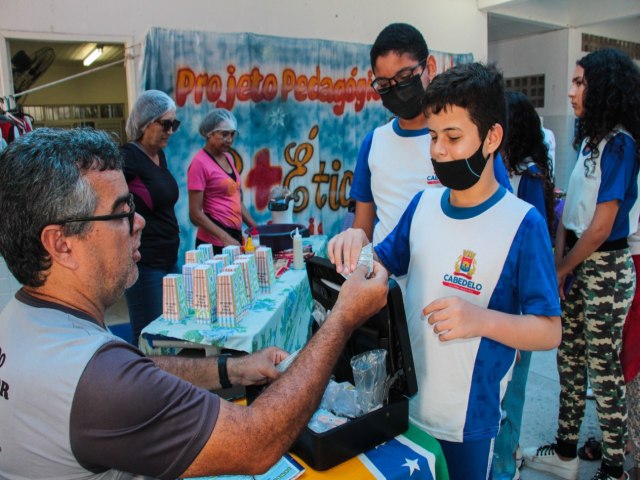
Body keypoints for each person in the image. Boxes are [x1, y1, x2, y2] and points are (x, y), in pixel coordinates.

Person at [0, 127, 390, 479]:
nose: (139, 224)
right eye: (122, 212)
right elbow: (255, 444)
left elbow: (137, 370)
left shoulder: (25, 317)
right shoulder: (99, 384)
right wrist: (342, 318)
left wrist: (232, 369)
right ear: (61, 243)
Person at [333, 62, 562, 479]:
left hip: (467, 421)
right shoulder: (421, 205)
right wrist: (356, 249)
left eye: (453, 137)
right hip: (405, 403)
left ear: (491, 137)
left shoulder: (522, 223)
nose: (438, 150)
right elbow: (381, 259)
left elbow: (549, 330)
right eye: (433, 137)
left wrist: (480, 319)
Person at [525, 48, 640, 480]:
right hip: (576, 260)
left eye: (579, 83)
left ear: (603, 88)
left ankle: (614, 467)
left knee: (603, 367)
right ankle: (566, 450)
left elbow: (601, 225)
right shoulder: (591, 140)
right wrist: (559, 261)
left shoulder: (621, 144)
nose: (570, 91)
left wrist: (562, 268)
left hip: (605, 266)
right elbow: (569, 211)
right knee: (569, 359)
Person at [332, 22, 512, 282]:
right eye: (384, 84)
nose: (396, 90)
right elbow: (364, 228)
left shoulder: (464, 142)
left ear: (429, 67)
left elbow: (502, 215)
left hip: (454, 285)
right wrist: (352, 242)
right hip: (388, 292)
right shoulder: (375, 143)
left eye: (404, 78)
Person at [492, 90, 556, 480]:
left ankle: (504, 467)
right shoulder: (504, 171)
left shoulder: (529, 178)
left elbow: (529, 257)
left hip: (520, 311)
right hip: (501, 309)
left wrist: (517, 321)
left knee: (510, 397)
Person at [121, 89, 181, 346]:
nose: (170, 131)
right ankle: (139, 385)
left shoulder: (160, 156)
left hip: (169, 259)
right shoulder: (128, 158)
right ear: (145, 124)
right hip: (146, 263)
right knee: (148, 337)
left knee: (171, 332)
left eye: (174, 124)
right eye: (165, 124)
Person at [188, 108, 257, 254]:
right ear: (209, 134)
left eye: (232, 134)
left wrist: (256, 228)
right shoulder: (199, 163)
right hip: (213, 244)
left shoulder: (228, 158)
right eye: (224, 134)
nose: (230, 139)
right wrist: (224, 237)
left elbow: (236, 200)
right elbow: (194, 214)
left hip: (233, 238)